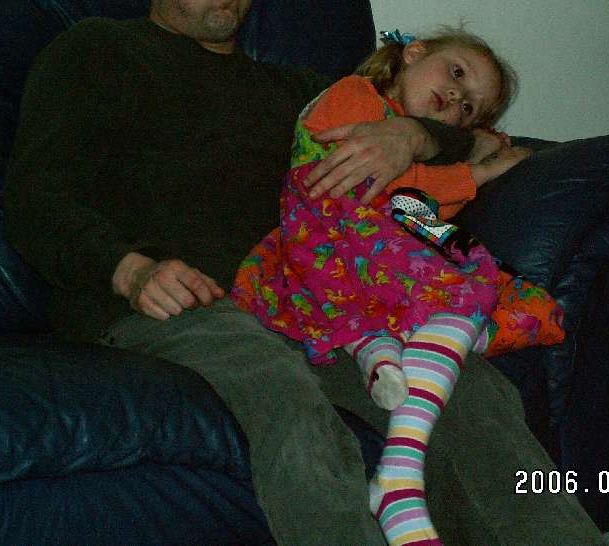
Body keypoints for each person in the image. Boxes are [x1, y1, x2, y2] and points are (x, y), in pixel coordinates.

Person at [4, 0, 606, 546]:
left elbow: (485, 142)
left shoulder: (303, 96)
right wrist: (131, 271)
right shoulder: (96, 51)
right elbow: (36, 200)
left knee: (471, 391)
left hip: (304, 299)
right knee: (286, 400)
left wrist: (412, 135)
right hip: (174, 303)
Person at [232, 27, 564, 545]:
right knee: (458, 294)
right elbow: (378, 183)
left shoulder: (434, 151)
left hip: (393, 239)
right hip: (331, 229)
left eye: (469, 107)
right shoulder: (354, 95)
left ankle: (386, 351)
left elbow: (424, 202)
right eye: (456, 73)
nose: (456, 96)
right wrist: (478, 174)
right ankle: (399, 479)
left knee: (508, 294)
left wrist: (478, 154)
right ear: (413, 53)